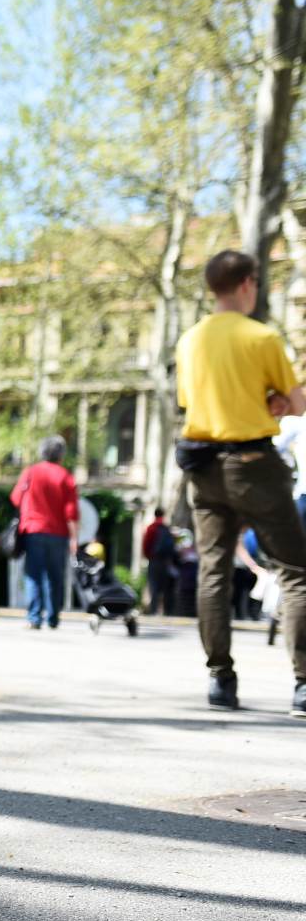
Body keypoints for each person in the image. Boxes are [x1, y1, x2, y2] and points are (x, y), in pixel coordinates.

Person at [174, 249, 306, 714]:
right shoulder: (262, 336)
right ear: (248, 283)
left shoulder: (190, 340)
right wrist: (277, 400)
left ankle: (220, 680)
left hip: (204, 468)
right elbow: (297, 402)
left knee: (213, 570)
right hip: (254, 462)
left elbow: (193, 401)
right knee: (295, 571)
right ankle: (304, 685)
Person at [11, 436, 78, 630]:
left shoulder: (30, 472)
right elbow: (71, 511)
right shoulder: (66, 476)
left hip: (33, 530)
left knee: (33, 574)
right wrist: (74, 538)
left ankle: (34, 617)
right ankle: (53, 618)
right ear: (61, 455)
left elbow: (16, 498)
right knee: (55, 576)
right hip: (58, 533)